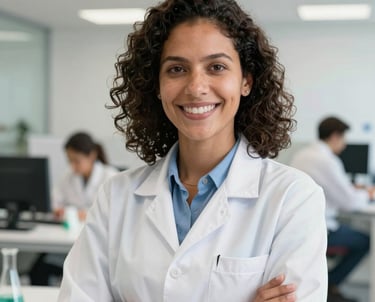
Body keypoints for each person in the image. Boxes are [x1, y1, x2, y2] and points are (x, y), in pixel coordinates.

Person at [58, 1, 328, 301]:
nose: (196, 87)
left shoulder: (293, 198)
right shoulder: (116, 196)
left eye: (217, 67)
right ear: (157, 85)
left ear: (246, 81)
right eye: (177, 69)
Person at [290, 116, 372, 302]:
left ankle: (330, 285)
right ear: (335, 136)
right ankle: (331, 283)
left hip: (299, 226)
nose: (344, 145)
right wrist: (368, 194)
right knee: (366, 241)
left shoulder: (302, 154)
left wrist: (353, 190)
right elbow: (350, 202)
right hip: (322, 228)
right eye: (343, 139)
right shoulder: (327, 160)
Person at [29, 132, 118, 286]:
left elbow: (116, 214)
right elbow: (54, 201)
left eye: (77, 161)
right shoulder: (68, 176)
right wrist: (58, 210)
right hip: (67, 238)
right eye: (70, 161)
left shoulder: (111, 177)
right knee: (38, 270)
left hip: (96, 245)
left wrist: (87, 214)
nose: (73, 166)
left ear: (92, 156)